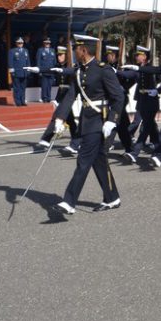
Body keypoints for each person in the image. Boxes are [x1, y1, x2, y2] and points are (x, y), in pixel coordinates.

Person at [49, 34, 126, 215]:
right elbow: (70, 97)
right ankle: (112, 197)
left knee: (83, 160)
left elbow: (118, 97)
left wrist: (111, 121)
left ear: (84, 50)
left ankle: (69, 201)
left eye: (76, 48)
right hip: (87, 121)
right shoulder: (79, 71)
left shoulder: (103, 70)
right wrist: (59, 119)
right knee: (99, 161)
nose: (74, 52)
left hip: (99, 122)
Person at [117, 45, 161, 163]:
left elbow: (155, 73)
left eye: (139, 55)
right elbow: (129, 75)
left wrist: (115, 71)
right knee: (151, 126)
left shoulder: (150, 68)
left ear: (145, 56)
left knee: (146, 126)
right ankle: (160, 148)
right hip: (142, 100)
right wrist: (118, 71)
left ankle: (135, 152)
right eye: (136, 55)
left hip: (151, 100)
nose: (136, 57)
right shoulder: (139, 69)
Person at [8, 37, 31, 106]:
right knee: (17, 88)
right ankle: (17, 102)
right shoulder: (12, 51)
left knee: (23, 88)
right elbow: (10, 62)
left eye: (21, 43)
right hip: (16, 72)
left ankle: (23, 101)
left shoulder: (25, 51)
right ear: (16, 43)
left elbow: (28, 61)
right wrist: (12, 71)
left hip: (24, 72)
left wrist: (28, 69)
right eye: (19, 43)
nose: (20, 44)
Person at [36, 38, 56, 103]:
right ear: (44, 43)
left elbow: (54, 61)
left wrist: (54, 70)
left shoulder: (52, 50)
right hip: (43, 71)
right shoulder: (40, 50)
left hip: (51, 71)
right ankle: (44, 98)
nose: (47, 44)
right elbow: (38, 61)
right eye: (46, 43)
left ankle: (49, 98)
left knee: (49, 86)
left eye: (48, 43)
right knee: (44, 85)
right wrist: (39, 70)